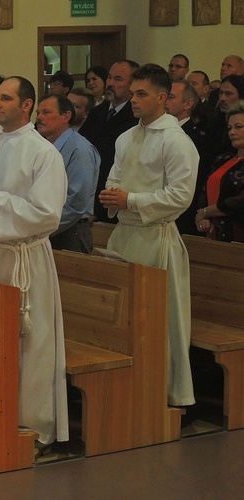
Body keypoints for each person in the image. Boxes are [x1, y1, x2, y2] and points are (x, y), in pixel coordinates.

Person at [0, 76, 69, 453]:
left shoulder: (45, 154)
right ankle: (0, 414)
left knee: (32, 344)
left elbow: (47, 215)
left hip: (26, 259)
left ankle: (35, 425)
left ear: (26, 105)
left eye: (6, 99)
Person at [98, 63, 198, 409]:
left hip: (157, 238)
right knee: (125, 322)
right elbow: (115, 178)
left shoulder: (176, 141)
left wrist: (131, 200)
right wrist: (113, 195)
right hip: (125, 235)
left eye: (142, 94)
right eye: (133, 93)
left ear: (162, 97)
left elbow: (180, 197)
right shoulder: (126, 137)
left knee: (162, 322)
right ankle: (130, 390)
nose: (134, 99)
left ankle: (169, 396)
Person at [36, 94, 100, 253]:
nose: (39, 118)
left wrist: (41, 228)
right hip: (46, 227)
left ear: (66, 116)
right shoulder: (43, 147)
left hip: (70, 232)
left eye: (46, 112)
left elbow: (76, 203)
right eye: (38, 113)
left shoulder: (79, 149)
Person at [80, 60, 140, 222]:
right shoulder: (97, 112)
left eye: (118, 79)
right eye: (109, 77)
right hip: (89, 193)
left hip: (114, 199)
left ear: (132, 84)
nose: (110, 83)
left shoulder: (135, 118)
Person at [166, 81, 214, 235]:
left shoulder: (196, 137)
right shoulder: (160, 131)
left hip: (182, 214)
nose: (165, 101)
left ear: (187, 104)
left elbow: (196, 179)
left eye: (171, 97)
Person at [195, 102, 244, 242]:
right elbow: (205, 189)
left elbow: (240, 201)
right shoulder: (223, 158)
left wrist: (206, 212)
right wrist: (204, 217)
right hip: (215, 235)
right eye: (229, 128)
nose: (232, 132)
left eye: (238, 127)